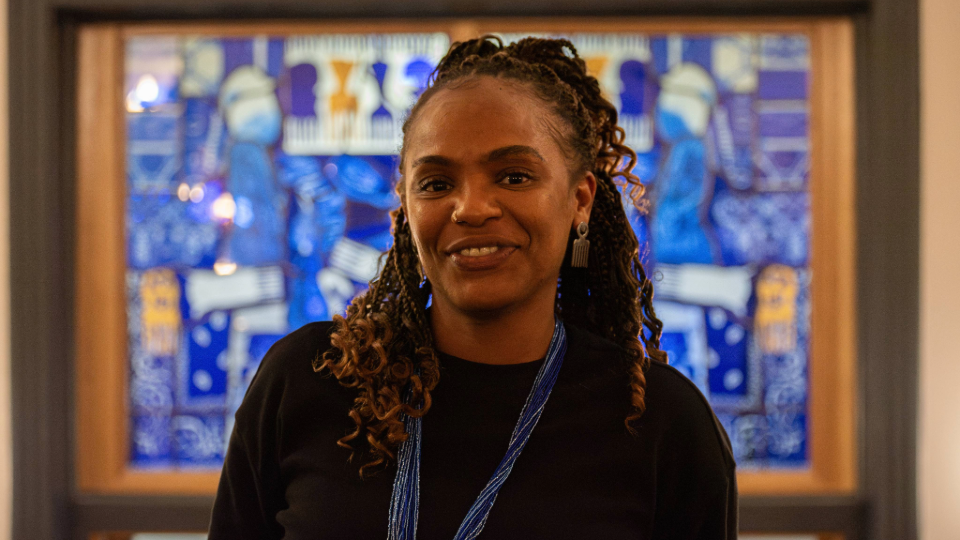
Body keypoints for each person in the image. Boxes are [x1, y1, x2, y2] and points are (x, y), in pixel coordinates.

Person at [209, 35, 737, 540]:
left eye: (513, 176)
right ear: (406, 208)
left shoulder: (659, 423)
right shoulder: (307, 380)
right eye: (437, 184)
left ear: (580, 200)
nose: (471, 208)